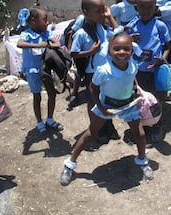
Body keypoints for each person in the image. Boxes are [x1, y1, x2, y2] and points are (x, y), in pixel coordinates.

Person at [60, 32, 154, 186]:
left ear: (132, 50)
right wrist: (101, 107)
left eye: (126, 49)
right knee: (90, 134)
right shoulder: (104, 70)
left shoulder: (133, 65)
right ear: (109, 50)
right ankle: (69, 164)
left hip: (127, 104)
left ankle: (142, 160)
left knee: (140, 133)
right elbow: (93, 88)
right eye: (117, 49)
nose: (122, 52)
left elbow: (132, 75)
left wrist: (136, 88)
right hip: (107, 104)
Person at [68, 0, 123, 143]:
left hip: (106, 71)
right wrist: (90, 52)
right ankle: (96, 129)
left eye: (103, 9)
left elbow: (118, 34)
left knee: (107, 99)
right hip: (92, 74)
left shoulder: (102, 28)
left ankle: (108, 126)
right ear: (86, 12)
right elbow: (73, 53)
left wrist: (110, 17)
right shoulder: (81, 33)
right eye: (98, 11)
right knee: (93, 101)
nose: (102, 14)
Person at [127, 0, 171, 142]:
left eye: (149, 7)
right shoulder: (132, 25)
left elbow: (167, 45)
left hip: (154, 71)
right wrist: (129, 39)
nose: (146, 11)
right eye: (142, 7)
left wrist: (163, 59)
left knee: (155, 100)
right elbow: (123, 45)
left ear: (155, 8)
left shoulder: (160, 25)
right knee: (139, 100)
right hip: (137, 72)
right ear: (136, 8)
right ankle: (142, 127)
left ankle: (157, 126)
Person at [17, 7, 64, 133]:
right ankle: (39, 121)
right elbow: (20, 44)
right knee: (37, 96)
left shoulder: (46, 33)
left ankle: (49, 119)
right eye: (44, 20)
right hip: (33, 70)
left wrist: (48, 44)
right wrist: (37, 45)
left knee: (52, 93)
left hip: (45, 69)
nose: (47, 22)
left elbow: (57, 44)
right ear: (33, 22)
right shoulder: (27, 34)